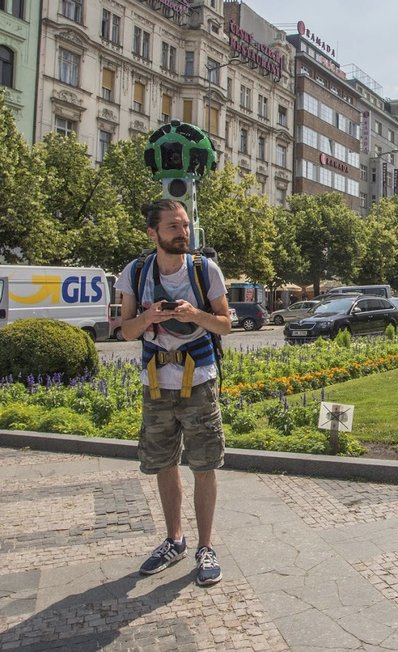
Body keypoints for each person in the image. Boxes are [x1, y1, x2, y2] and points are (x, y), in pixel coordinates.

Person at [117, 199, 232, 587]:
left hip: (198, 380)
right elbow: (126, 331)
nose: (183, 233)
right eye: (173, 227)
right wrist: (148, 316)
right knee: (164, 462)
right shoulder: (134, 273)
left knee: (204, 464)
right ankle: (174, 540)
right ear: (153, 233)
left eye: (184, 226)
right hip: (156, 383)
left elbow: (226, 325)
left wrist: (194, 315)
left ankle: (206, 546)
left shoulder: (204, 270)